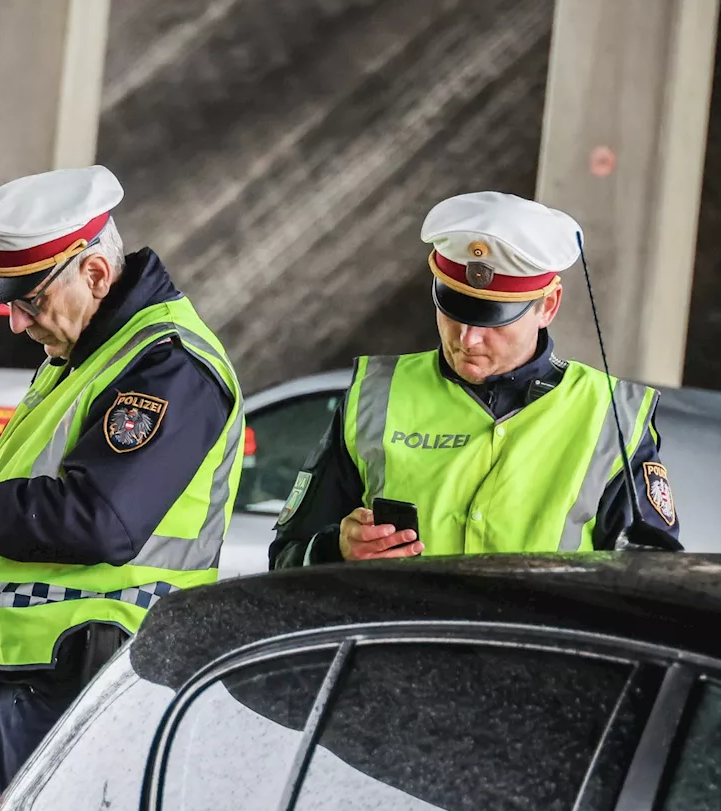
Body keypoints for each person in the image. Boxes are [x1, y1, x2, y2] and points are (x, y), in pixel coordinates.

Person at [0, 165, 245, 796]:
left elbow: (98, 519)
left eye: (28, 299)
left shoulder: (166, 365)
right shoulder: (86, 351)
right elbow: (22, 476)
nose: (15, 322)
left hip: (102, 684)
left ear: (93, 274)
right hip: (52, 680)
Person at [270, 190, 681, 569]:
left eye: (492, 320)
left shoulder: (612, 418)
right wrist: (335, 551)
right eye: (455, 312)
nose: (467, 338)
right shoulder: (374, 396)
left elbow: (651, 582)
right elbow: (285, 559)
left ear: (548, 306)